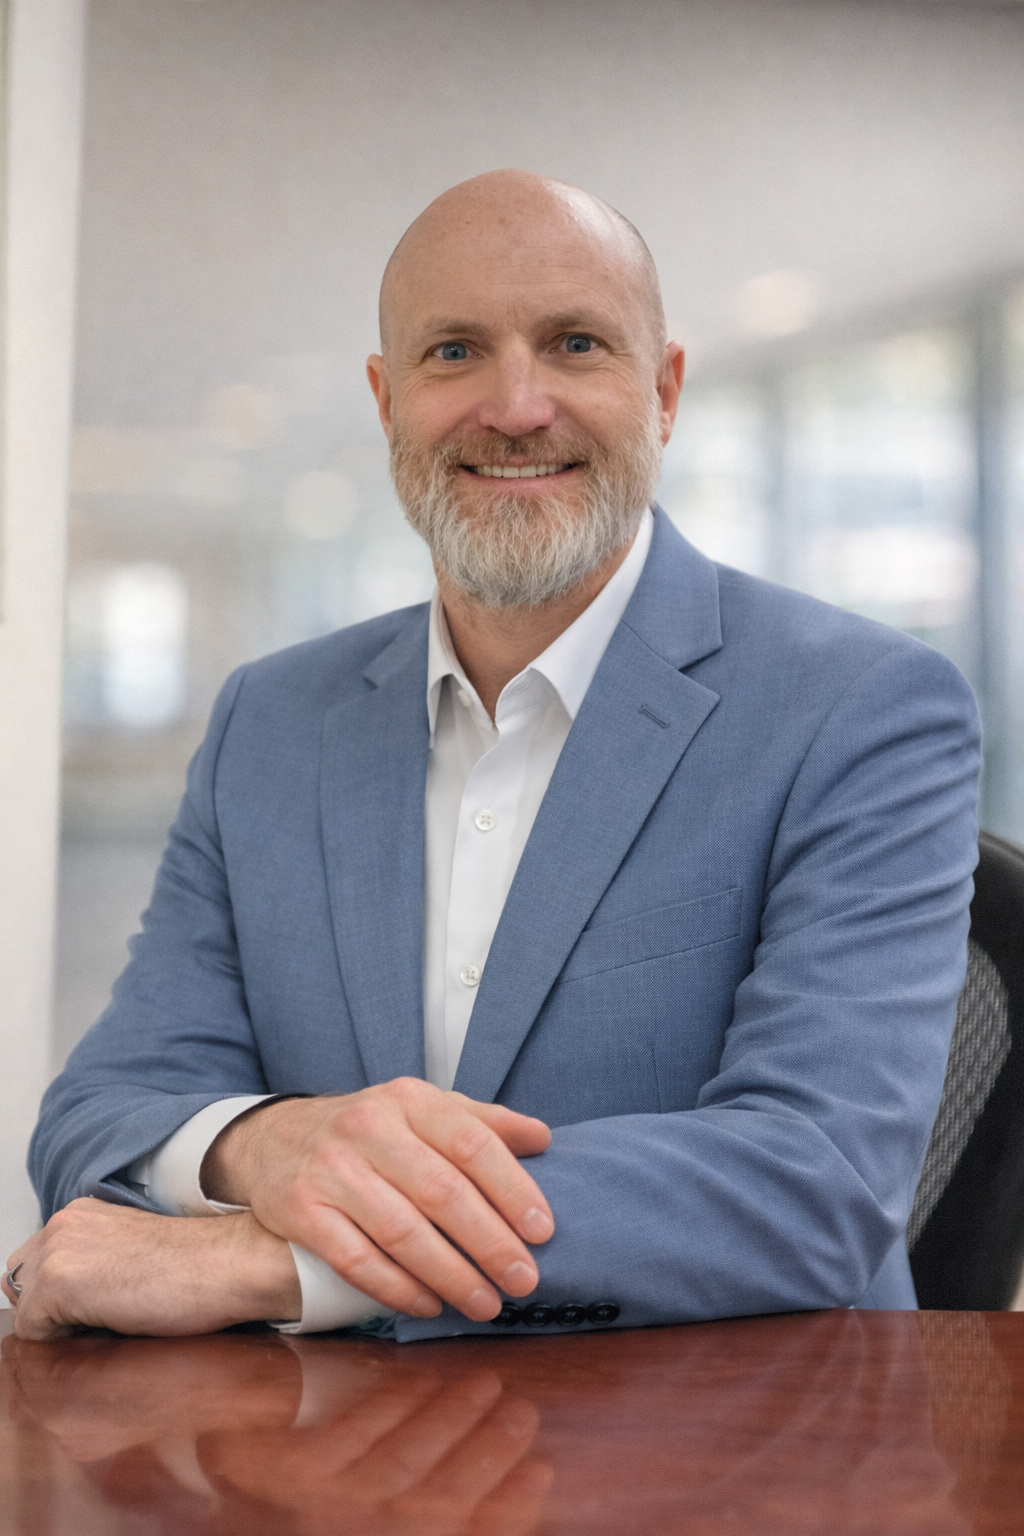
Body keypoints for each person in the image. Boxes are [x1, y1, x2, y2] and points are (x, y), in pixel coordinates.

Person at [6, 170, 980, 1342]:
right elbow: (99, 1112)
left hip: (727, 1451)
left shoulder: (861, 704)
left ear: (663, 390)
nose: (516, 407)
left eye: (574, 344)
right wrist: (270, 1144)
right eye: (454, 352)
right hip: (329, 1460)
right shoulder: (270, 721)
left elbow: (815, 1183)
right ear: (384, 399)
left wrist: (287, 1264)